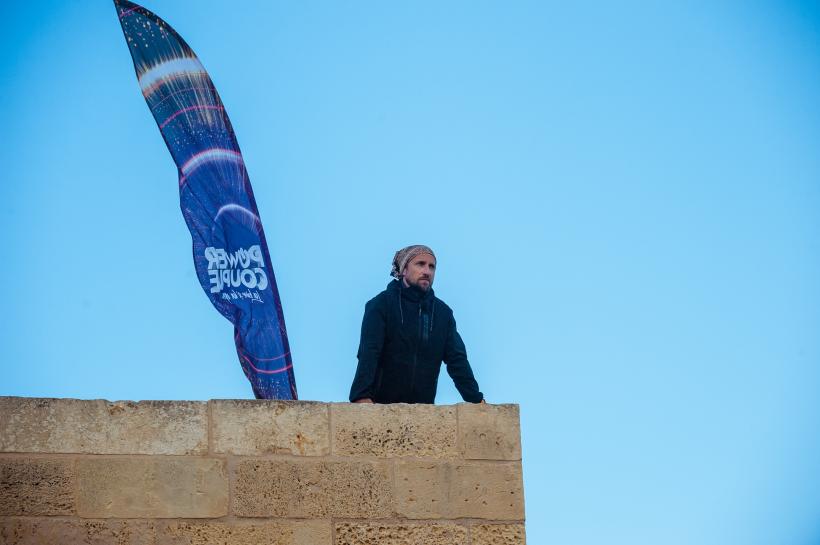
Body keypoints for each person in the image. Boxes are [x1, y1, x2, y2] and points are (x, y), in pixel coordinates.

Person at [349, 245, 484, 404]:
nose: (427, 271)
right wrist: (361, 395)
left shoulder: (443, 313)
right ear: (404, 270)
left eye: (432, 266)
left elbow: (457, 360)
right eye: (420, 264)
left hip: (423, 410)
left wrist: (476, 400)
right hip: (381, 406)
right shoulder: (381, 304)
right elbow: (369, 352)